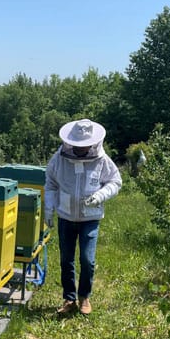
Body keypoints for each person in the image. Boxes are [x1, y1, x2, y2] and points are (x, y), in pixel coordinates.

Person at [45, 118, 122, 315]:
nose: (81, 149)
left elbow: (115, 181)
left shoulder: (102, 160)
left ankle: (84, 296)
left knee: (87, 259)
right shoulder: (59, 159)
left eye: (85, 145)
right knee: (66, 260)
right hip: (66, 216)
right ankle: (69, 299)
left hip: (90, 218)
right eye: (78, 145)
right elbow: (51, 183)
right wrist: (48, 208)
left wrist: (99, 196)